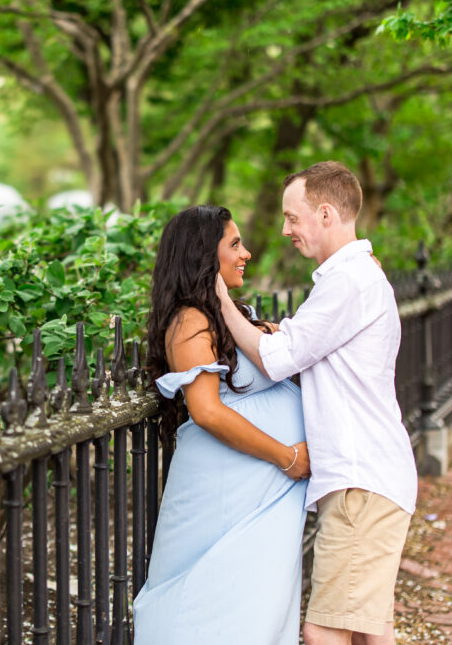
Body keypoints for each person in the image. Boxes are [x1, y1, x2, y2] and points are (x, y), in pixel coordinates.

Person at [216, 161, 417, 645]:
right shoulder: (351, 278)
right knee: (371, 630)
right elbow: (297, 338)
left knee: (322, 630)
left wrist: (218, 297)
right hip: (370, 477)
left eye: (293, 217)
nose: (285, 229)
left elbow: (275, 359)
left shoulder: (349, 281)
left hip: (360, 483)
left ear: (326, 214)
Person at [133, 205, 311, 644]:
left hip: (259, 494)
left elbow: (295, 342)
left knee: (258, 609)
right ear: (202, 254)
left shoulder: (230, 316)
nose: (246, 252)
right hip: (225, 496)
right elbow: (207, 411)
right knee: (219, 609)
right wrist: (287, 457)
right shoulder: (189, 322)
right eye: (234, 244)